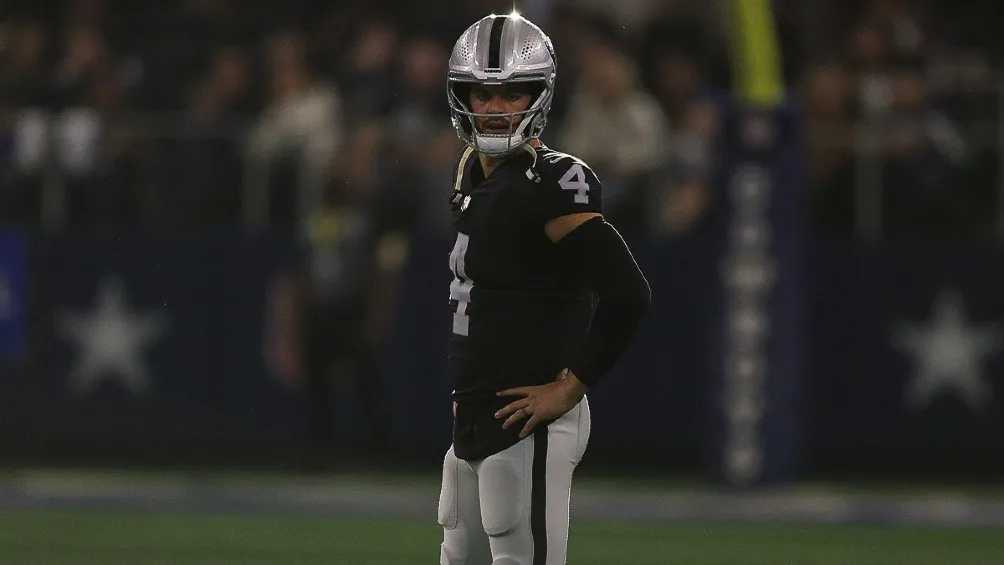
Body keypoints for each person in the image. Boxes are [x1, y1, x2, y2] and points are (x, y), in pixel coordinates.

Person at [437, 13, 651, 565]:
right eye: (481, 92)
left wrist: (570, 388)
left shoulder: (550, 181)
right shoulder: (471, 173)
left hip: (526, 420)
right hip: (475, 415)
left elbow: (628, 293)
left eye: (512, 92)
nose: (494, 106)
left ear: (540, 96)